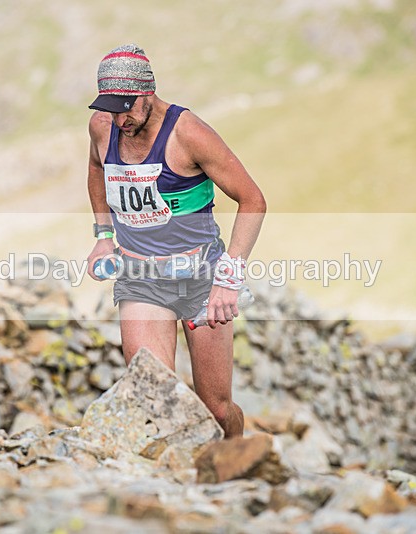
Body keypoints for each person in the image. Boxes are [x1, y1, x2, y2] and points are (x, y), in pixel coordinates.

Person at [85, 44, 266, 438]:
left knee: (216, 411)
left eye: (127, 107)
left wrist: (228, 278)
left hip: (201, 277)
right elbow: (96, 169)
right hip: (140, 279)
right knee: (154, 398)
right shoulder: (102, 126)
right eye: (111, 109)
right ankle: (179, 489)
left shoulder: (189, 134)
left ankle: (237, 464)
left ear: (148, 92)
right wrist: (103, 235)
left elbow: (253, 201)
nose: (119, 120)